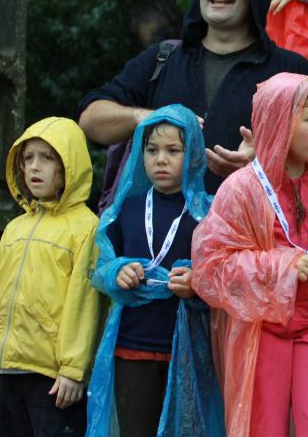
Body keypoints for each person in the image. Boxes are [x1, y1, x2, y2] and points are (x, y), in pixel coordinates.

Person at [192, 74, 308, 437]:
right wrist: (283, 266)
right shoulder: (242, 189)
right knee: (263, 426)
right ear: (278, 120)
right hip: (262, 332)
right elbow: (212, 265)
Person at [78, 0, 308, 194]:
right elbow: (90, 119)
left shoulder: (290, 71)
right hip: (161, 219)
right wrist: (145, 117)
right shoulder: (163, 58)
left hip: (254, 217)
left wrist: (264, 165)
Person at [86, 105, 224, 437]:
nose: (161, 159)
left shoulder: (210, 213)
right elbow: (99, 267)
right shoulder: (125, 209)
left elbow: (225, 273)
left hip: (189, 350)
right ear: (140, 153)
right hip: (131, 347)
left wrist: (197, 281)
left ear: (192, 154)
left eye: (173, 150)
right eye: (152, 150)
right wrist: (117, 273)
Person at [0, 117, 100, 436]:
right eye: (28, 158)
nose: (35, 167)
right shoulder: (14, 229)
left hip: (54, 379)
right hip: (9, 371)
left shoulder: (86, 227)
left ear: (69, 166)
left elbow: (84, 304)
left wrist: (73, 369)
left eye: (47, 158)